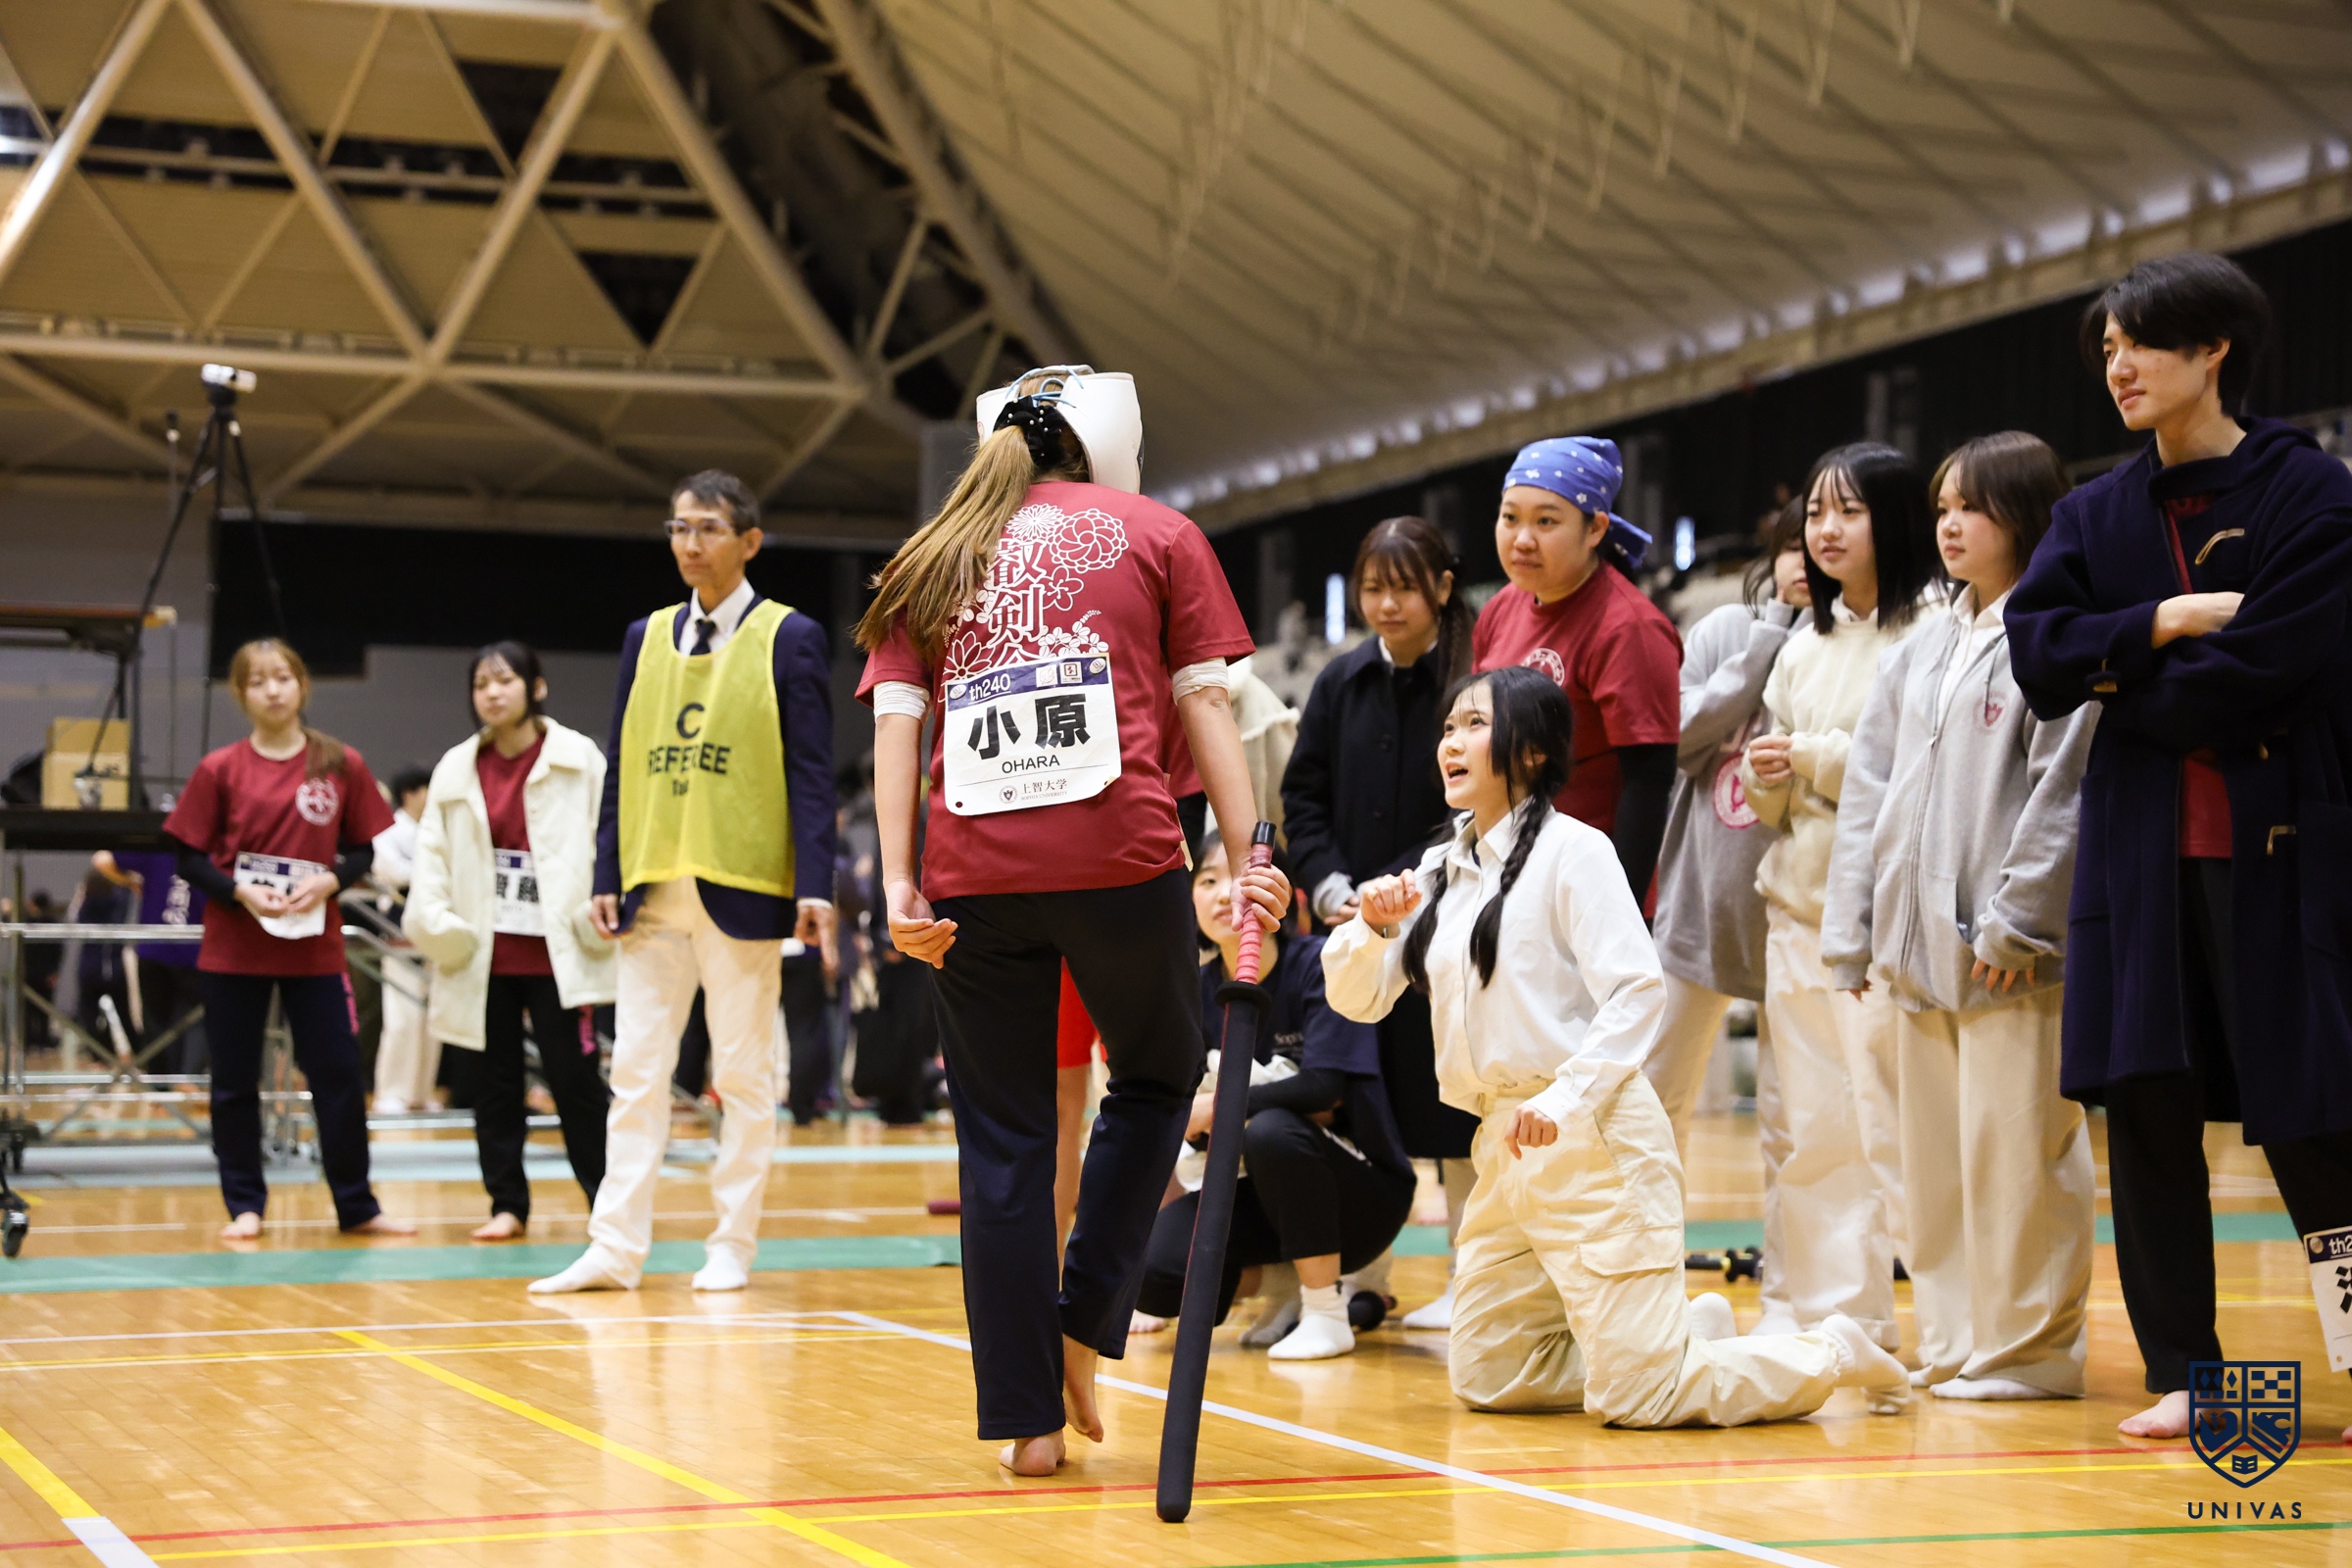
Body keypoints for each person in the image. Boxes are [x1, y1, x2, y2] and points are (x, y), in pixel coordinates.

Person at [856, 365, 1289, 1475]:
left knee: (1000, 1139)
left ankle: (1027, 1422)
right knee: (1156, 1075)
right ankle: (1085, 1325)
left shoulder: (931, 551)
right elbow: (1206, 700)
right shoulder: (1160, 532)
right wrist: (1250, 857)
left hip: (968, 878)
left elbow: (897, 725)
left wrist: (898, 884)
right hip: (1119, 860)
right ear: (1100, 449)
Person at [1324, 666, 1907, 1424]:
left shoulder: (1576, 851)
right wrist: (1371, 929)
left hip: (1594, 1135)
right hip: (1505, 1144)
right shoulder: (1439, 870)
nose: (1451, 744)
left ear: (1532, 752)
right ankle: (1672, 1341)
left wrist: (1564, 1100)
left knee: (1641, 1398)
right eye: (1447, 729)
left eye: (1474, 725)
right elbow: (1357, 999)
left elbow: (1637, 992)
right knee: (1494, 1377)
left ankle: (1828, 1349)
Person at [2008, 251, 2352, 1441]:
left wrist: (2121, 678)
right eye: (2108, 349)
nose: (2119, 367)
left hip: (2284, 853)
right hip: (2141, 865)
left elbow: (2275, 667)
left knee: (2317, 1118)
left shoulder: (2312, 493)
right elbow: (2038, 655)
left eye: (2142, 344)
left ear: (2213, 350)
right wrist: (2158, 620)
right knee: (2149, 1113)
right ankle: (2189, 1378)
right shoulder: (2093, 512)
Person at [1822, 433, 2097, 1400]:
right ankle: (1952, 1340)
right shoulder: (1925, 645)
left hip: (2008, 955)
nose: (1949, 524)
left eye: (1971, 507)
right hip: (1913, 952)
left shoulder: (2057, 634)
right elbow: (1870, 789)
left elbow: (2064, 790)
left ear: (2024, 514)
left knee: (2016, 1153)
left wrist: (2021, 920)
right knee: (1929, 1162)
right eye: (1942, 506)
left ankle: (2031, 1350)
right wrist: (1852, 928)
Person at [531, 469, 837, 1296]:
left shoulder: (790, 636)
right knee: (635, 1074)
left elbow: (811, 771)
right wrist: (608, 868)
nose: (689, 543)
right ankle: (614, 1246)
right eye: (678, 528)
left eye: (707, 527)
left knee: (741, 1078)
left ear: (749, 541)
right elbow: (624, 759)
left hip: (744, 884)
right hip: (654, 882)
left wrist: (815, 884)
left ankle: (732, 1243)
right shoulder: (644, 637)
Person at [1737, 442, 1940, 1360]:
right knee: (1813, 1130)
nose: (1825, 530)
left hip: (1895, 928)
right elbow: (1774, 804)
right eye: (1816, 512)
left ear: (1893, 520)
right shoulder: (1802, 646)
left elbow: (1920, 774)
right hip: (1797, 913)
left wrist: (1811, 759)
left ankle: (1952, 1329)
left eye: (1847, 511)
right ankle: (1839, 1323)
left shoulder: (1933, 632)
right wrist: (1767, 775)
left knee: (1900, 1131)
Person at [1282, 514, 1478, 1329]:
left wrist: (1404, 886)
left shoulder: (1471, 683)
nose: (1387, 605)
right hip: (1354, 929)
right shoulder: (1339, 682)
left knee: (1458, 1107)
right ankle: (1367, 1277)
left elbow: (1474, 803)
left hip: (1446, 923)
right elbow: (1303, 798)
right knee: (1366, 1106)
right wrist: (1329, 883)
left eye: (1404, 587)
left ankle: (1474, 1284)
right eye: (1373, 588)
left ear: (1442, 588)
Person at [161, 639, 415, 1240]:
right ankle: (245, 1204)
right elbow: (188, 857)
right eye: (258, 681)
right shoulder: (220, 768)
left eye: (283, 677)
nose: (273, 690)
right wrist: (239, 892)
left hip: (315, 950)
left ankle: (357, 1205)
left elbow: (362, 851)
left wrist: (330, 881)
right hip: (235, 947)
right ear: (240, 694)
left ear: (302, 685)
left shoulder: (340, 762)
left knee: (338, 1075)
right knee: (234, 1082)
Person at [1136, 829, 1413, 1360]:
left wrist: (1218, 1108)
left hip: (1362, 1195)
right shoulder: (1191, 991)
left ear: (1280, 891)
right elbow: (1183, 1118)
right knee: (1152, 1272)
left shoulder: (1320, 964)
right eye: (1207, 881)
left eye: (1239, 879)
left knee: (1271, 1131)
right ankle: (1287, 1286)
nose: (1224, 895)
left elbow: (1324, 1087)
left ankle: (1326, 1311)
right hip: (1256, 1189)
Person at [404, 642, 615, 1242]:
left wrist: (604, 899)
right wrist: (438, 920)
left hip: (559, 950)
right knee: (493, 1085)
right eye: (481, 684)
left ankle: (605, 1203)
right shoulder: (456, 767)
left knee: (574, 1081)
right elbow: (432, 855)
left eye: (505, 680)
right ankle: (507, 1204)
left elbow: (609, 833)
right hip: (483, 950)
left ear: (536, 687)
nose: (492, 693)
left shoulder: (579, 757)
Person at [1646, 501, 1806, 1165]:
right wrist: (1766, 640)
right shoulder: (1724, 630)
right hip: (1697, 910)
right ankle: (1647, 1239)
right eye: (1793, 545)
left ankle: (1794, 1245)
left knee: (1793, 1125)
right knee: (1650, 1102)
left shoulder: (1852, 646)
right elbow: (1681, 740)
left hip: (1798, 921)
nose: (1806, 559)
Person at [1472, 437, 1682, 901]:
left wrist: (1614, 911)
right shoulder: (1500, 609)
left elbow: (1648, 784)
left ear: (1595, 529)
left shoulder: (1630, 628)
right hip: (1503, 878)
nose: (1522, 539)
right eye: (1510, 518)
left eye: (1546, 521)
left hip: (1586, 886)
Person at [95, 849, 208, 1074]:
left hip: (153, 949)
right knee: (198, 1019)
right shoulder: (209, 854)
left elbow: (101, 859)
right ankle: (189, 1079)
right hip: (192, 951)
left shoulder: (158, 850)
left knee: (157, 1023)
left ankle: (160, 1086)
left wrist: (130, 882)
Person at [370, 765, 436, 1113]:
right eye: (427, 789)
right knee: (402, 1017)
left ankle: (421, 1093)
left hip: (435, 931)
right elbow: (392, 872)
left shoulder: (436, 829)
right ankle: (392, 1092)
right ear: (410, 794)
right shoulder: (389, 830)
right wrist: (430, 875)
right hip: (399, 932)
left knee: (432, 1019)